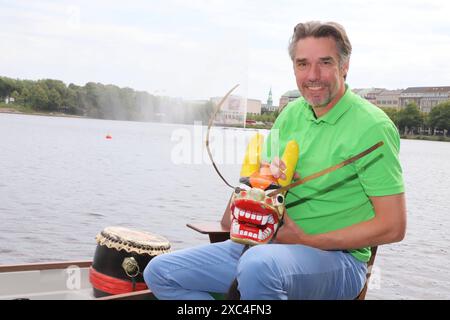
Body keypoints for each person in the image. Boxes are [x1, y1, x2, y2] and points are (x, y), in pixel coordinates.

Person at [143, 21, 407, 300]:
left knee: (258, 266)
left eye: (325, 62)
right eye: (302, 64)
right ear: (294, 67)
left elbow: (393, 226)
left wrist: (307, 241)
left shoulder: (372, 127)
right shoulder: (290, 114)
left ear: (345, 66)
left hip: (338, 261)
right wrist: (256, 187)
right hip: (265, 245)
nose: (313, 75)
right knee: (160, 272)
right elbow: (258, 190)